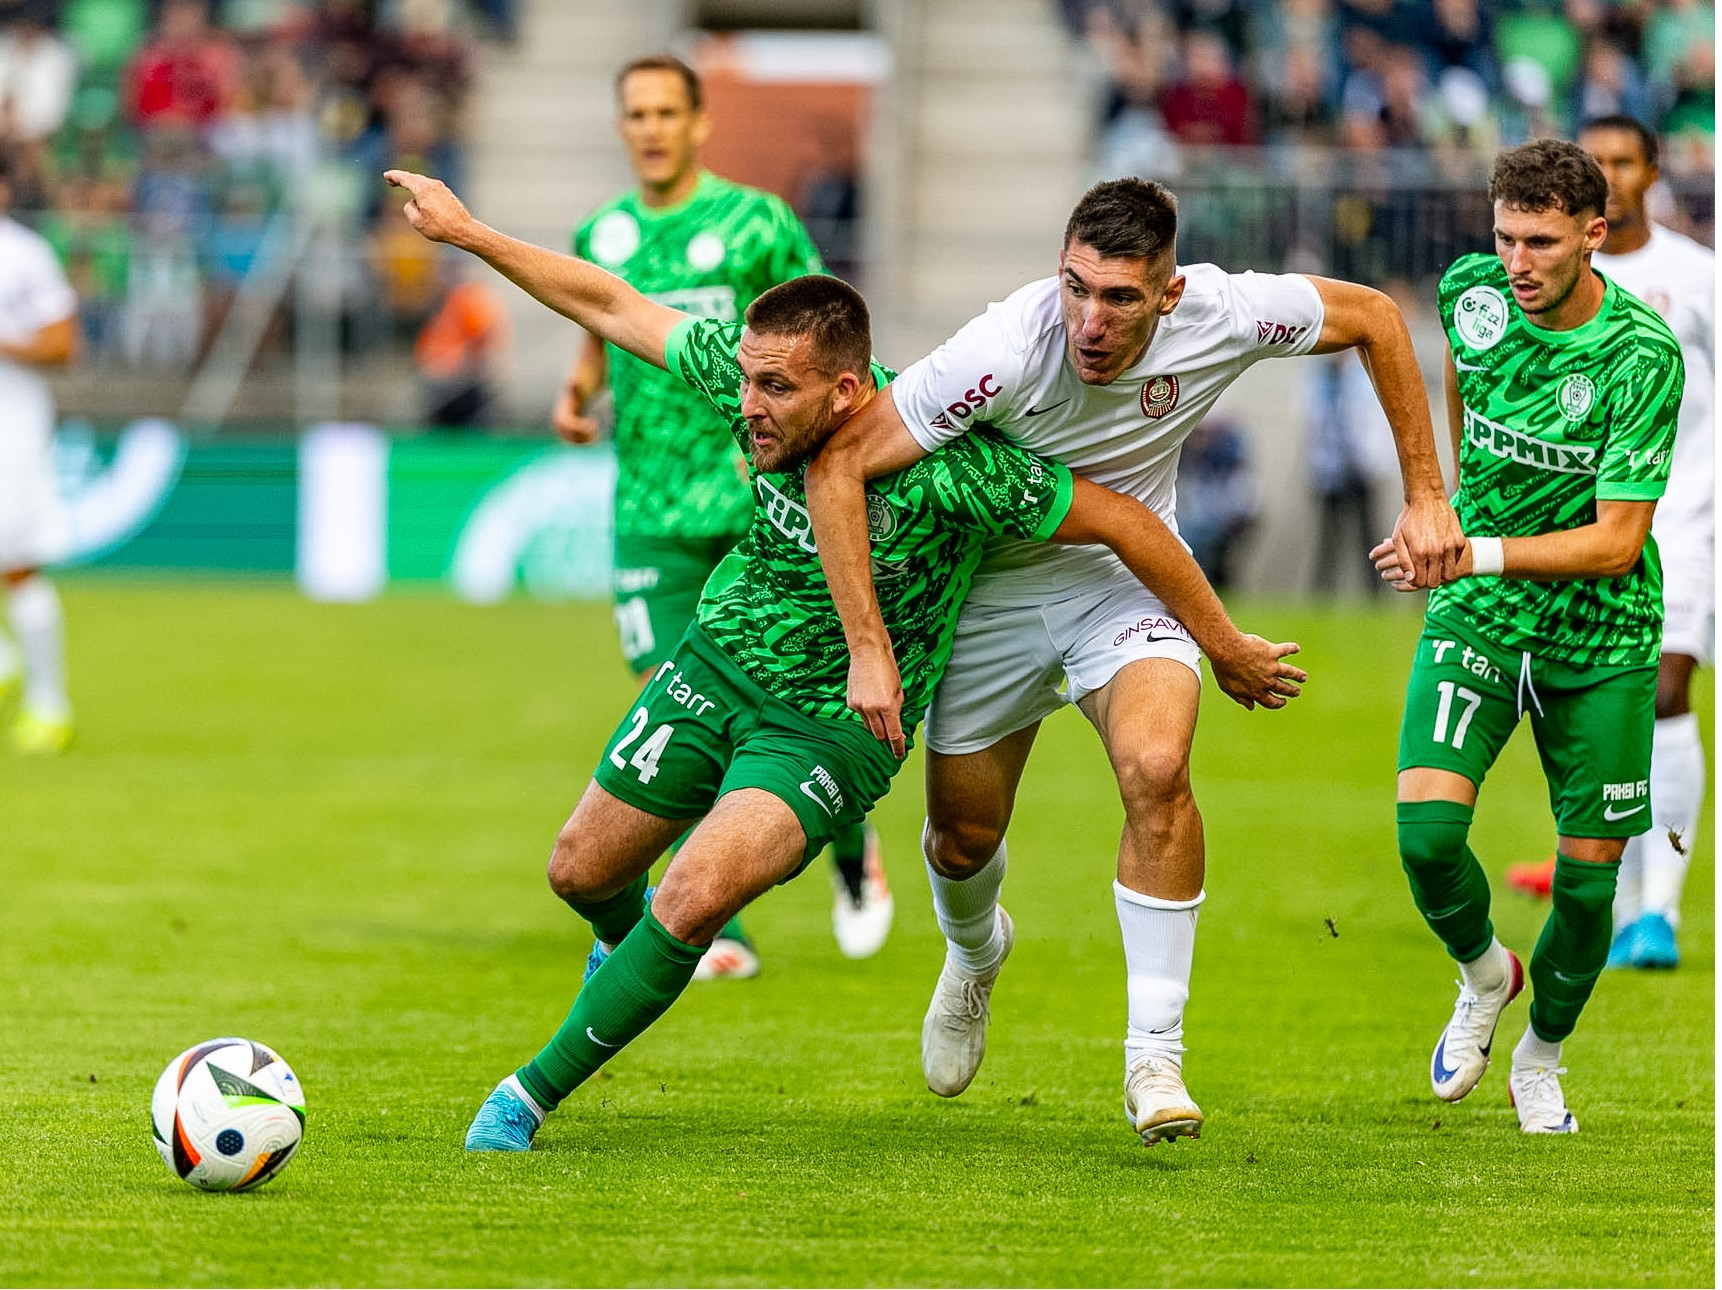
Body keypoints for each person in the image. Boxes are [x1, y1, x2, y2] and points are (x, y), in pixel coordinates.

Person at [378, 167, 1307, 1153]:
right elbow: (611, 302)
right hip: (715, 667)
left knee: (694, 896)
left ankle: (522, 1100)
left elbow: (1122, 519)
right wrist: (473, 231)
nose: (750, 405)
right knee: (578, 871)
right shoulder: (751, 383)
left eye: (775, 388)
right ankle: (616, 937)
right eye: (746, 378)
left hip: (828, 730)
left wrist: (1224, 644)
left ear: (850, 391)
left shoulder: (957, 464)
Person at [803, 177, 1464, 1145]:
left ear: (1170, 293)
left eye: (1119, 298)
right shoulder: (998, 352)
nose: (1090, 320)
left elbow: (1373, 316)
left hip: (1128, 582)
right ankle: (976, 952)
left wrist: (1423, 493)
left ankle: (1154, 1058)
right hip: (994, 596)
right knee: (961, 841)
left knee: (1157, 770)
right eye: (1075, 287)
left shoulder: (1225, 314)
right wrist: (870, 649)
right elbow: (841, 463)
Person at [549, 54, 892, 975]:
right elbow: (600, 317)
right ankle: (719, 922)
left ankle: (852, 851)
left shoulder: (756, 222)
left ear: (699, 123)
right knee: (678, 700)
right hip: (649, 506)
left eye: (668, 111)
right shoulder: (602, 229)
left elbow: (827, 327)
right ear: (622, 125)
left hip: (754, 506)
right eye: (637, 113)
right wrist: (579, 390)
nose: (652, 127)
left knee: (778, 695)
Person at [1372, 139, 1682, 1134]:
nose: (1517, 261)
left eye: (1541, 241)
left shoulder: (1642, 356)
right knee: (1425, 839)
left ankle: (1541, 1058)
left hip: (1601, 634)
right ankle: (1483, 976)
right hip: (1482, 615)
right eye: (1505, 236)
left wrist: (1477, 549)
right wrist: (1450, 501)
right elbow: (1462, 380)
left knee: (1590, 892)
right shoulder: (1478, 295)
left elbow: (1615, 542)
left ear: (1595, 235)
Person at [1504, 115, 1713, 972]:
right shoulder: (1538, 282)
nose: (1615, 176)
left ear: (1653, 171)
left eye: (1627, 161)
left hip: (1685, 516)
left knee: (1665, 689)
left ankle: (1658, 908)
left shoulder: (1697, 278)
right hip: (1572, 533)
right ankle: (1615, 902)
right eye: (1600, 163)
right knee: (1599, 710)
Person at [0, 151, 78, 754]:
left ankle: (49, 705)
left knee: (16, 566)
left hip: (11, 431)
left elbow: (60, 344)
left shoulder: (22, 256)